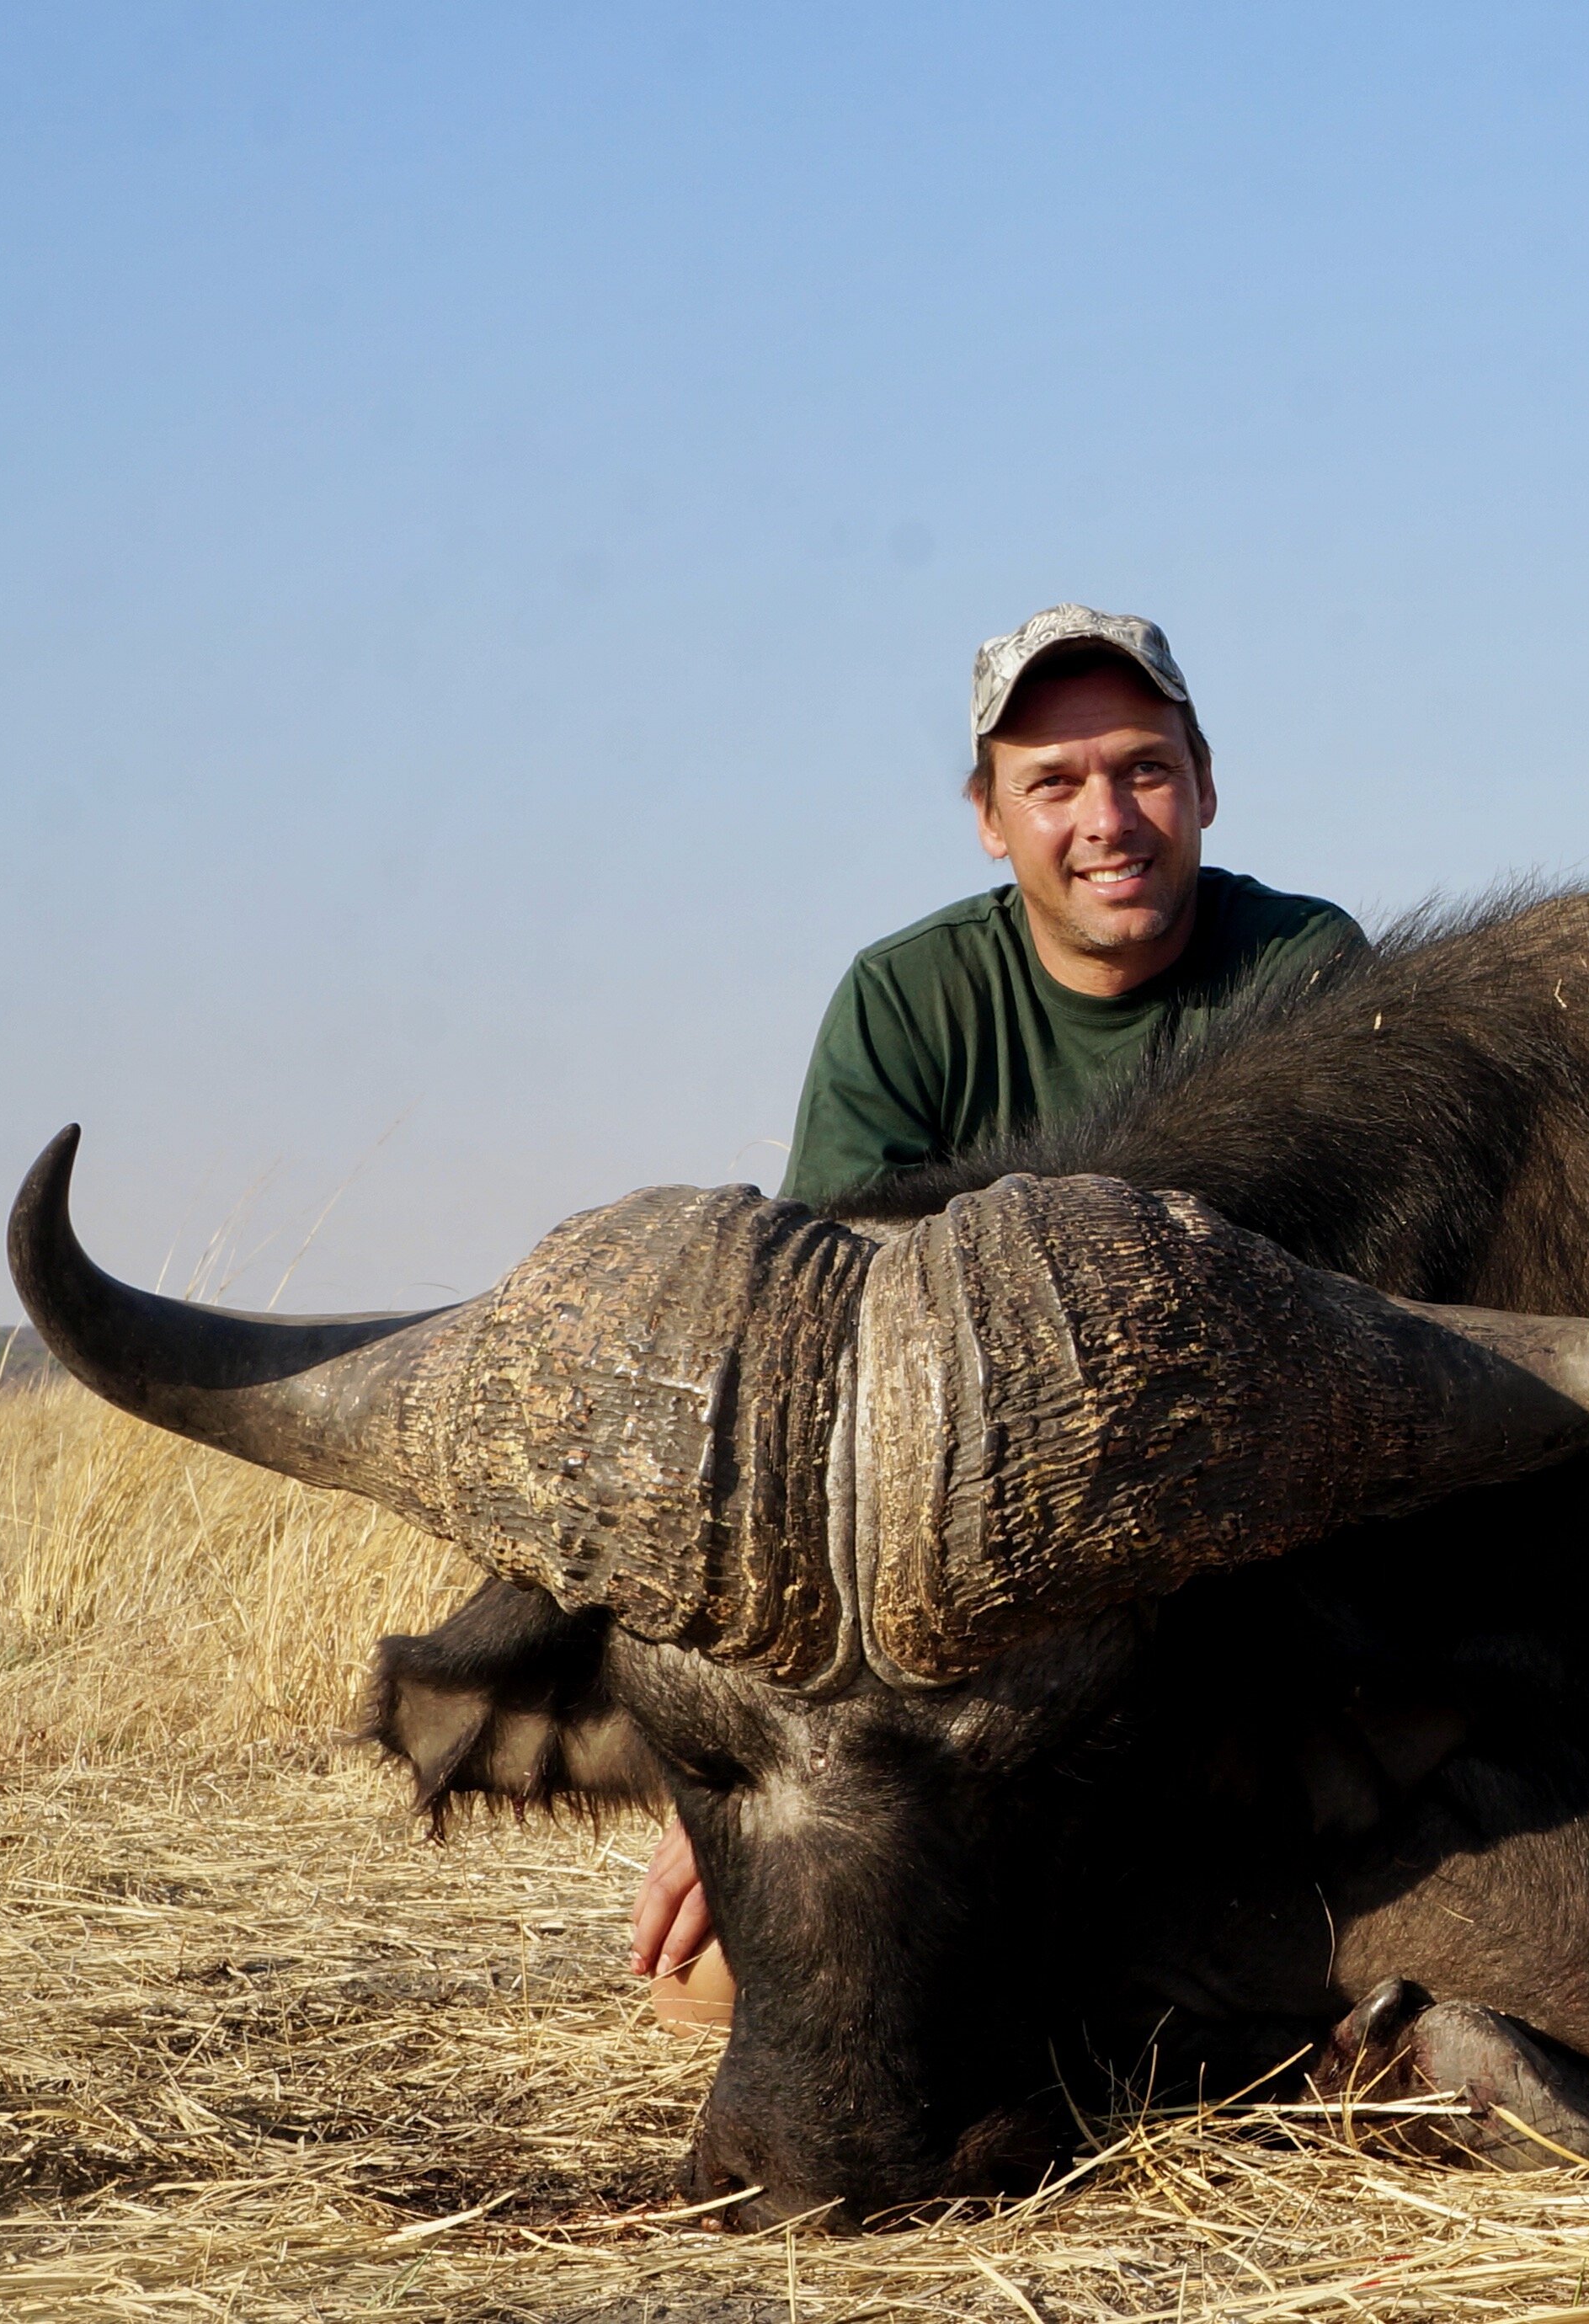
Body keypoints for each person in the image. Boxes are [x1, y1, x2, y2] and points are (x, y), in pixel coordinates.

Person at [630, 603, 1362, 2021]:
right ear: (988, 818)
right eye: (1054, 783)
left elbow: (1342, 1348)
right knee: (715, 1997)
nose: (1110, 819)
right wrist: (753, 1789)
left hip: (1244, 1595)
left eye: (1144, 770)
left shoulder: (1308, 973)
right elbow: (823, 1404)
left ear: (1205, 785)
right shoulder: (906, 1003)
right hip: (975, 1637)